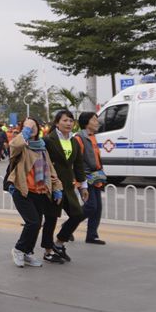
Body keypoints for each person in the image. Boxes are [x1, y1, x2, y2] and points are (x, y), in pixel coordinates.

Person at [7, 117, 64, 267]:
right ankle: (19, 249)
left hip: (39, 191)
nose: (32, 128)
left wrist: (57, 188)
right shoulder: (21, 145)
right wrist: (26, 129)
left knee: (37, 223)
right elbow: (14, 145)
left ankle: (28, 252)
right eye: (28, 126)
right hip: (22, 190)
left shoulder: (42, 147)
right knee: (32, 222)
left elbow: (50, 169)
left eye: (34, 126)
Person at [44, 110, 88, 261]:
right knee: (51, 219)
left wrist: (83, 186)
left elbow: (78, 165)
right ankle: (48, 252)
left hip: (68, 186)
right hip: (52, 185)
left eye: (71, 121)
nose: (69, 123)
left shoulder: (74, 141)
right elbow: (43, 163)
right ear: (57, 123)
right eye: (65, 120)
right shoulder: (48, 140)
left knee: (78, 215)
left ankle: (59, 242)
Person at [75, 112, 107, 245]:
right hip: (86, 177)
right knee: (91, 207)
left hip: (96, 176)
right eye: (95, 120)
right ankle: (69, 225)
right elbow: (76, 160)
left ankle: (92, 235)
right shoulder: (78, 138)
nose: (97, 122)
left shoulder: (93, 137)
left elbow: (96, 157)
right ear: (87, 122)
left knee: (97, 207)